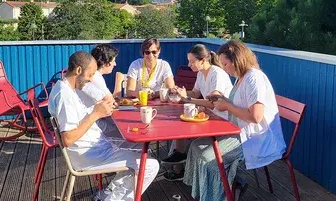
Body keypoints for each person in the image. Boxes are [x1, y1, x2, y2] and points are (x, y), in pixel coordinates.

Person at [182, 40, 286, 201]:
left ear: (237, 60)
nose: (224, 68)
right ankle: (206, 192)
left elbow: (256, 117)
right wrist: (223, 100)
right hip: (236, 131)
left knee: (209, 160)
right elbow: (238, 105)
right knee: (196, 146)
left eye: (225, 64)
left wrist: (227, 106)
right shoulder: (241, 78)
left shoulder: (254, 78)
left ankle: (221, 195)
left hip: (253, 138)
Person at [48, 51, 159, 201]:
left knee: (139, 149)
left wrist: (96, 111)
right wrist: (96, 114)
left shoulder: (65, 88)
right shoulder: (65, 96)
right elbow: (67, 139)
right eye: (90, 75)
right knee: (150, 165)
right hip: (89, 154)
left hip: (95, 146)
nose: (91, 79)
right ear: (79, 70)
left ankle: (108, 194)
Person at [161, 44, 233, 177]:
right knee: (181, 120)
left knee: (185, 122)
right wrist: (181, 93)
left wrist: (187, 99)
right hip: (211, 115)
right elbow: (194, 93)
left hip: (224, 119)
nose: (189, 65)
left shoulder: (216, 74)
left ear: (203, 60)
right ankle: (179, 158)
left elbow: (214, 103)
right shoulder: (201, 73)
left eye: (192, 61)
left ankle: (180, 163)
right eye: (189, 61)